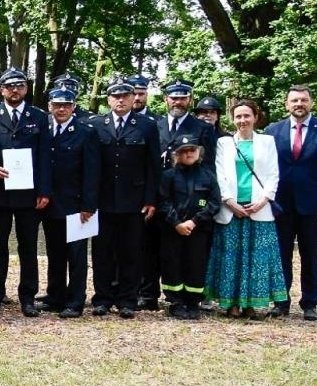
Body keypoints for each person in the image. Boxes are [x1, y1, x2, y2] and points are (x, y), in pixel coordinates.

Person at [265, 84, 317, 319]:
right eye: (295, 101)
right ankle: (281, 302)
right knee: (281, 255)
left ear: (311, 103)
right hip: (280, 204)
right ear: (286, 104)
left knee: (311, 255)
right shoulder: (272, 130)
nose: (299, 104)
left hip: (314, 205)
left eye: (303, 100)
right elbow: (266, 167)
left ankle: (310, 303)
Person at [0, 68, 51, 316]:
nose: (14, 90)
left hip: (28, 194)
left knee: (28, 247)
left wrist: (44, 190)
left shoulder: (39, 117)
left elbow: (44, 157)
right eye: (10, 86)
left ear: (26, 89)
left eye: (19, 86)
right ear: (1, 90)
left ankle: (28, 297)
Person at [208, 98, 287, 317]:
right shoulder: (224, 143)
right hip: (231, 209)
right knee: (231, 258)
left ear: (255, 117)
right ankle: (231, 304)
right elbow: (219, 175)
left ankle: (250, 304)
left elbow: (273, 174)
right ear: (232, 119)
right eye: (238, 116)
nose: (242, 120)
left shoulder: (267, 142)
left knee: (256, 259)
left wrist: (263, 200)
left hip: (258, 208)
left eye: (246, 116)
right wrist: (229, 202)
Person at [91, 79, 158, 318]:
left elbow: (153, 166)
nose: (120, 100)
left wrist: (151, 199)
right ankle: (102, 298)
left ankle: (128, 300)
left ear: (133, 98)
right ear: (108, 100)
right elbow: (90, 167)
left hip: (134, 200)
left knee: (131, 252)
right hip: (103, 199)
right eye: (115, 96)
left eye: (125, 96)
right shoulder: (96, 124)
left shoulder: (147, 126)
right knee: (102, 253)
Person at [39, 84, 99, 319]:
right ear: (49, 106)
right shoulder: (44, 130)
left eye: (66, 105)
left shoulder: (86, 132)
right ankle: (55, 296)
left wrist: (88, 205)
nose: (61, 109)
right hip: (51, 204)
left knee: (76, 256)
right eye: (56, 104)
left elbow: (92, 172)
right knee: (54, 253)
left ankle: (75, 301)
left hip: (76, 205)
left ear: (74, 106)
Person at [158, 133, 220, 320]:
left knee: (196, 264)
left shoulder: (208, 176)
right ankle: (176, 302)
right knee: (173, 264)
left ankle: (193, 302)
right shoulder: (168, 176)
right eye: (184, 151)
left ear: (198, 152)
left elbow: (214, 203)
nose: (188, 154)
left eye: (192, 150)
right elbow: (163, 201)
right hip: (173, 229)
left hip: (198, 230)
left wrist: (194, 221)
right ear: (177, 155)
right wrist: (176, 223)